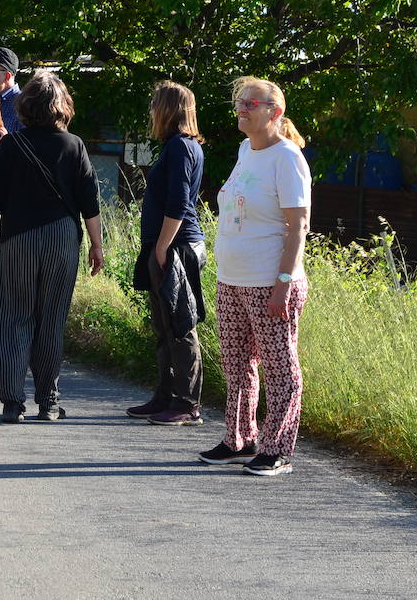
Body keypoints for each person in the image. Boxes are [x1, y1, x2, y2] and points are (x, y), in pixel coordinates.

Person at [198, 76, 311, 477]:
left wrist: (284, 281)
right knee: (236, 365)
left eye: (250, 104)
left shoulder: (288, 158)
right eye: (240, 103)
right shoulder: (246, 149)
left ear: (275, 112)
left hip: (270, 281)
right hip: (232, 279)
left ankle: (277, 449)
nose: (241, 109)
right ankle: (239, 441)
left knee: (280, 368)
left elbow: (298, 227)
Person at [0, 72, 102, 423]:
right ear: (62, 106)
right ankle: (48, 402)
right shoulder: (74, 145)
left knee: (11, 316)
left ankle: (12, 402)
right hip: (62, 237)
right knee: (51, 319)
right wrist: (97, 245)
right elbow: (90, 201)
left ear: (26, 105)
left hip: (18, 236)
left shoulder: (10, 145)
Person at [126, 81, 208, 426]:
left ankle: (187, 403)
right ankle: (165, 396)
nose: (151, 112)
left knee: (180, 326)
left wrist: (162, 247)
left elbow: (178, 204)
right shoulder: (176, 146)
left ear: (169, 109)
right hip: (168, 246)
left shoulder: (180, 147)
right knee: (163, 326)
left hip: (176, 246)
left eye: (155, 104)